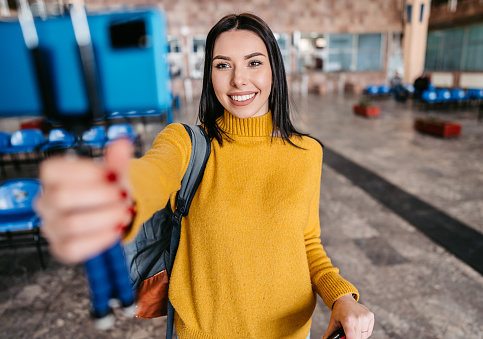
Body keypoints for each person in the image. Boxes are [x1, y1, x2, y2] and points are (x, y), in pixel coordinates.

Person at [36, 13, 374, 339]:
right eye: (223, 65)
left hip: (292, 333)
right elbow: (151, 175)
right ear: (209, 75)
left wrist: (341, 297)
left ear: (275, 69)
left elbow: (307, 243)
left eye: (254, 63)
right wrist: (114, 195)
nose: (239, 79)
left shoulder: (306, 153)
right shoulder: (185, 143)